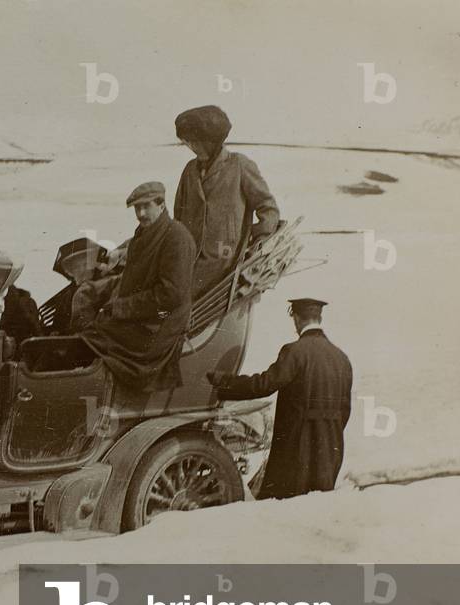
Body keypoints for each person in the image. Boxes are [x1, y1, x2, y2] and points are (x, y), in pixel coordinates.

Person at [207, 298, 353, 500]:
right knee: (319, 504)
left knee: (288, 504)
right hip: (330, 446)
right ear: (319, 318)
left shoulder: (294, 351)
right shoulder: (342, 358)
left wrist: (224, 382)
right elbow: (345, 410)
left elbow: (264, 385)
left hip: (298, 445)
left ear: (297, 319)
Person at [78, 181, 196, 391]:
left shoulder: (177, 237)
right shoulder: (145, 234)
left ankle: (99, 391)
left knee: (92, 337)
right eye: (136, 208)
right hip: (146, 318)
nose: (141, 213)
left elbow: (170, 295)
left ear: (161, 205)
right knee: (89, 325)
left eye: (146, 206)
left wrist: (121, 308)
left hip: (159, 326)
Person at [173, 105, 280, 295]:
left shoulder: (239, 165)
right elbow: (179, 218)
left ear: (211, 141)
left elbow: (268, 207)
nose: (191, 147)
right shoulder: (190, 170)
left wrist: (260, 240)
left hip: (224, 261)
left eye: (195, 141)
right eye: (187, 142)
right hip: (190, 259)